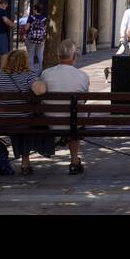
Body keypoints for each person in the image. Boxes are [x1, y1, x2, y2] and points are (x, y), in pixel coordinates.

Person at [0, 48, 51, 175]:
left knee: (19, 121)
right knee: (26, 123)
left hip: (1, 122)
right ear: (25, 62)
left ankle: (24, 161)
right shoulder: (28, 75)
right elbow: (41, 91)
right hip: (23, 121)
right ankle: (25, 162)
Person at [40, 39, 90, 174]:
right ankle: (74, 160)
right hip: (75, 123)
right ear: (74, 57)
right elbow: (84, 100)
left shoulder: (46, 73)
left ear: (58, 56)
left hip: (51, 122)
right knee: (78, 115)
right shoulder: (83, 76)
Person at [23, 4, 48, 72]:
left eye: (33, 9)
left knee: (30, 55)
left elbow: (26, 28)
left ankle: (31, 71)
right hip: (41, 39)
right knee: (40, 54)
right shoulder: (44, 18)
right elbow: (45, 29)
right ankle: (41, 70)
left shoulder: (31, 17)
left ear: (35, 9)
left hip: (31, 39)